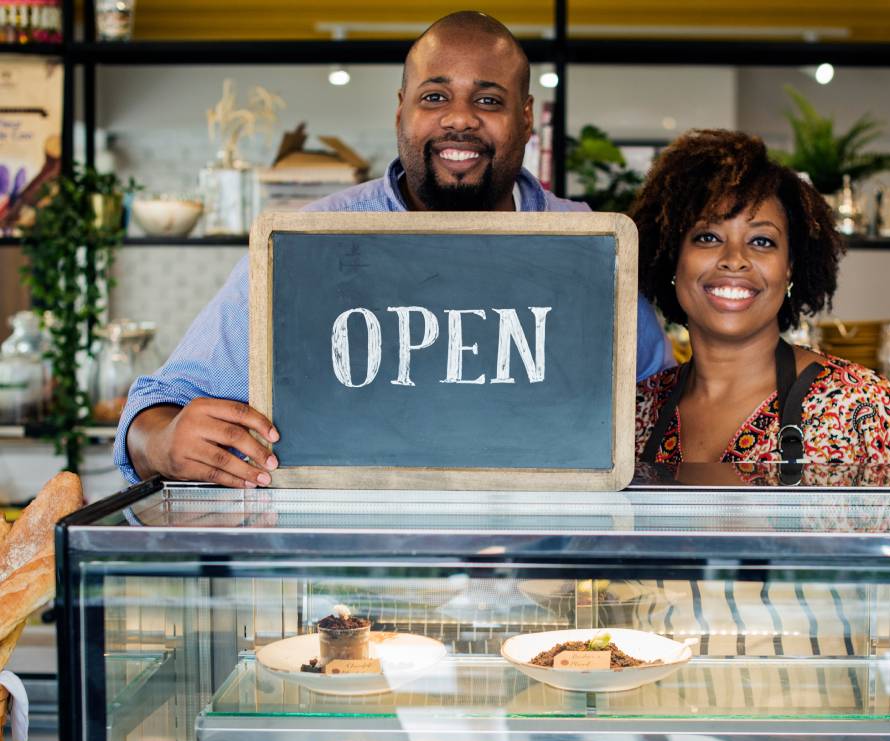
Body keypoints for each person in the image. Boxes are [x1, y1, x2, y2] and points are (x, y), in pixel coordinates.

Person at [115, 11, 672, 488]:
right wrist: (163, 443)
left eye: (488, 99)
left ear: (525, 117)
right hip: (350, 591)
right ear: (401, 109)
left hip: (544, 583)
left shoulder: (593, 250)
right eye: (435, 97)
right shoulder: (309, 244)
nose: (460, 118)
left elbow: (662, 409)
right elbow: (157, 407)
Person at [628, 129, 890, 466]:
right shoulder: (637, 411)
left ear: (789, 268)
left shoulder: (860, 406)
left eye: (761, 241)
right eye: (708, 236)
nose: (734, 258)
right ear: (673, 259)